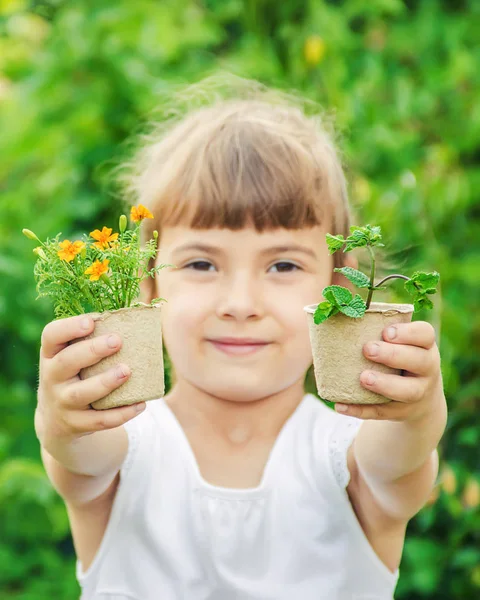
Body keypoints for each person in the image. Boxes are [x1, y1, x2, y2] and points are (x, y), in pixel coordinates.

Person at [36, 75, 447, 600]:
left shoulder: (348, 454)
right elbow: (78, 452)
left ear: (340, 288)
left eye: (281, 264)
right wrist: (63, 417)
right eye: (202, 263)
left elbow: (403, 454)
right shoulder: (125, 446)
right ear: (146, 284)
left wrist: (416, 410)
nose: (240, 303)